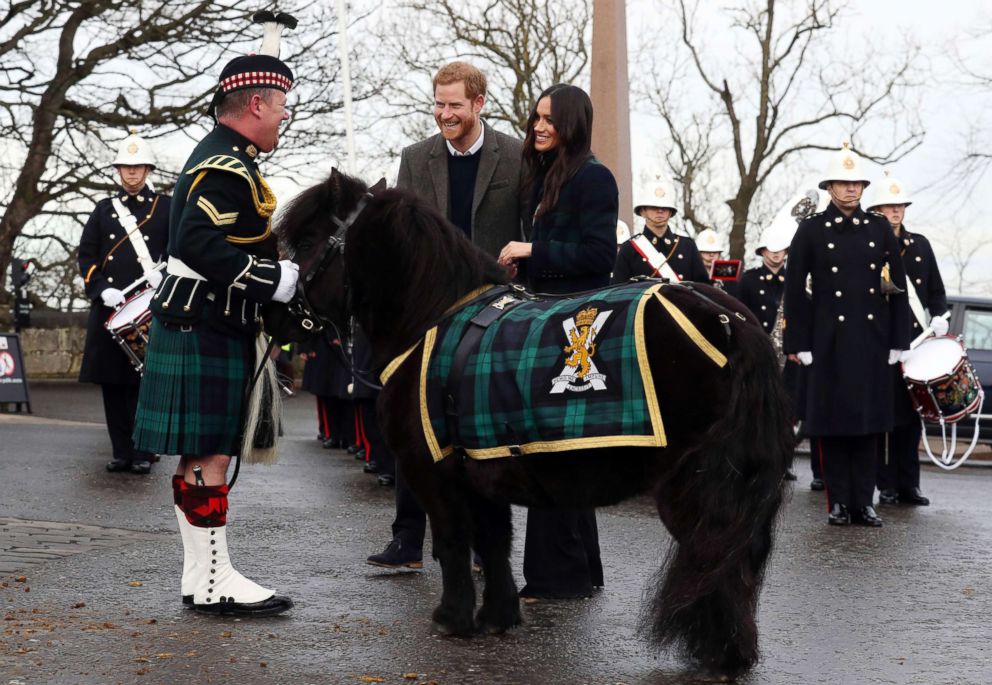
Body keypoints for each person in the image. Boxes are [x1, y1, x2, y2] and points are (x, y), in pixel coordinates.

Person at [131, 29, 299, 616]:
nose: (284, 117)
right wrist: (272, 280)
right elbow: (196, 240)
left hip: (203, 320)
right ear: (256, 104)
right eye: (281, 106)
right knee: (210, 457)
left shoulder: (227, 158)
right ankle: (210, 582)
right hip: (204, 321)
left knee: (206, 456)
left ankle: (206, 577)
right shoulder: (223, 164)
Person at [367, 61, 524, 569]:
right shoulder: (415, 159)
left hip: (492, 309)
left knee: (481, 427)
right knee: (416, 422)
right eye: (438, 103)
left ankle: (483, 545)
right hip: (428, 308)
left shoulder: (516, 158)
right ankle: (407, 540)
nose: (444, 113)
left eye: (455, 104)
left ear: (479, 104)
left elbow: (527, 227)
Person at [497, 83, 615, 599]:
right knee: (554, 449)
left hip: (574, 329)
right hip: (541, 319)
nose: (539, 127)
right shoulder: (540, 177)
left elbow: (599, 258)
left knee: (554, 450)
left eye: (550, 120)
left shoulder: (595, 178)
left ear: (573, 125)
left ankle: (557, 575)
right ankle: (576, 569)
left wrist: (533, 248)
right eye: (536, 118)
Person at [783, 142, 911, 527]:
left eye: (856, 184)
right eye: (843, 183)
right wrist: (798, 343)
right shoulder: (811, 230)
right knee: (834, 425)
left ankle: (864, 500)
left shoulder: (877, 228)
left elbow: (897, 287)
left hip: (871, 340)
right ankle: (839, 501)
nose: (851, 190)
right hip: (828, 340)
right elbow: (793, 289)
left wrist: (897, 340)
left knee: (868, 424)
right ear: (830, 188)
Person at [78, 131, 170, 475]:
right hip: (111, 308)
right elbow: (86, 255)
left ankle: (144, 452)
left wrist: (167, 277)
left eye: (138, 168)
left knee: (144, 384)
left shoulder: (166, 207)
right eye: (125, 168)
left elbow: (179, 249)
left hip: (148, 307)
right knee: (113, 384)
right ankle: (121, 452)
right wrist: (101, 288)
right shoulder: (103, 210)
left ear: (148, 170)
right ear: (118, 171)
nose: (131, 174)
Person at [866, 171, 948, 507]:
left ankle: (909, 484)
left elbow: (935, 289)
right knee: (885, 418)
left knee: (912, 418)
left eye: (899, 206)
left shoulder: (921, 245)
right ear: (877, 211)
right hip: (882, 345)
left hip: (916, 344)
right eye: (888, 207)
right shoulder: (869, 247)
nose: (895, 212)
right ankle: (885, 484)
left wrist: (939, 316)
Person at [739, 224, 800, 481]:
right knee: (759, 409)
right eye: (770, 249)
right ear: (762, 250)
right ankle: (758, 460)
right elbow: (740, 315)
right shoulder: (750, 279)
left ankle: (783, 461)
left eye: (780, 249)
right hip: (760, 353)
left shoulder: (796, 279)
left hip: (790, 353)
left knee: (786, 410)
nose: (775, 254)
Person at [611, 176, 709, 284]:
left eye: (665, 207)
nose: (660, 211)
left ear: (671, 212)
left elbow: (703, 287)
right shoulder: (629, 249)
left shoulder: (687, 246)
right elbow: (619, 291)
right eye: (653, 207)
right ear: (643, 211)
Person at [695, 228, 740, 296]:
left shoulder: (729, 280)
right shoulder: (692, 275)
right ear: (698, 253)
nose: (711, 255)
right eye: (706, 252)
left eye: (715, 252)